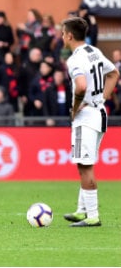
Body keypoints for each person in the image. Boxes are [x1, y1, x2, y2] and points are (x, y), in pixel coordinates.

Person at [60, 17, 119, 227]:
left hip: (85, 118)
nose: (62, 37)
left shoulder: (74, 60)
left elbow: (81, 86)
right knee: (84, 164)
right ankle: (81, 210)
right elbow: (114, 74)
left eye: (63, 33)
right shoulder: (94, 51)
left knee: (85, 167)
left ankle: (92, 216)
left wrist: (75, 108)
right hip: (99, 113)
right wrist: (101, 98)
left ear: (69, 36)